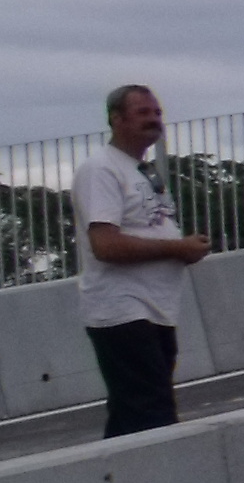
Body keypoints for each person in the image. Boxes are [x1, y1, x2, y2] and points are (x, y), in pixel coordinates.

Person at [75, 83, 209, 437]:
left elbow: (151, 228)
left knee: (131, 415)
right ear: (116, 120)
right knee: (152, 414)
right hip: (123, 311)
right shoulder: (102, 170)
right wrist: (177, 249)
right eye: (143, 113)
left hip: (156, 309)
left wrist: (182, 247)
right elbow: (105, 245)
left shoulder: (142, 171)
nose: (154, 120)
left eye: (157, 113)